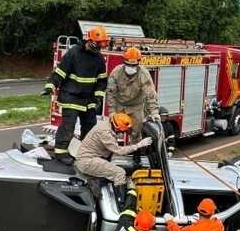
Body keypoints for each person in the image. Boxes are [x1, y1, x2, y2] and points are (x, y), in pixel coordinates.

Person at [42, 25, 110, 165]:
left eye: (102, 44)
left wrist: (98, 97)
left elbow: (102, 80)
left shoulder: (99, 58)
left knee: (90, 126)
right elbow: (60, 72)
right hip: (70, 96)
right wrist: (50, 86)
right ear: (89, 40)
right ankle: (60, 153)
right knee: (68, 125)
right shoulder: (74, 53)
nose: (99, 47)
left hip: (88, 99)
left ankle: (86, 152)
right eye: (98, 43)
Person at [75, 113, 152, 205]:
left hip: (91, 158)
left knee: (113, 171)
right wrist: (139, 145)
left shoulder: (109, 124)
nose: (123, 134)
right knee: (120, 173)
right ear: (116, 127)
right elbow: (119, 151)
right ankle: (122, 204)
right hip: (87, 161)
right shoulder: (105, 133)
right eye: (122, 131)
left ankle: (97, 181)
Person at [106, 47, 160, 144]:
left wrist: (154, 112)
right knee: (114, 132)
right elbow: (110, 93)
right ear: (124, 62)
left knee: (136, 132)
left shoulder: (143, 74)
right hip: (120, 105)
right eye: (128, 64)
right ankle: (112, 152)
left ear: (138, 63)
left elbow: (151, 94)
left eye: (133, 65)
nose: (131, 67)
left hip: (136, 107)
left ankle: (136, 153)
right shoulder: (116, 72)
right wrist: (111, 111)